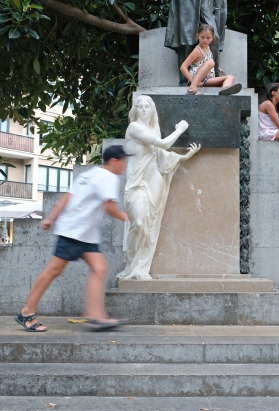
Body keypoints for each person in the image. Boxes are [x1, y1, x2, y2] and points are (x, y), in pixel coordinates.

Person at [14, 145, 130, 332]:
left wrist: (52, 218)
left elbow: (67, 198)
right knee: (53, 271)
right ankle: (26, 312)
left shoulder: (88, 175)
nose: (124, 166)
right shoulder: (109, 177)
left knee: (99, 269)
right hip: (75, 232)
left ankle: (95, 316)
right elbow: (109, 207)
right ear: (114, 161)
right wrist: (127, 217)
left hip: (84, 234)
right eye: (123, 161)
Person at [118, 95, 201, 280]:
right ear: (135, 109)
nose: (144, 109)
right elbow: (163, 143)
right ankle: (131, 263)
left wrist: (183, 157)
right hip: (136, 181)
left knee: (151, 223)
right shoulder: (134, 127)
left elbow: (160, 154)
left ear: (153, 109)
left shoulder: (152, 129)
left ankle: (141, 267)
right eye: (140, 106)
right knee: (138, 222)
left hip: (153, 176)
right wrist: (179, 129)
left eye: (148, 106)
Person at [180, 24, 242, 96]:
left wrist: (217, 68)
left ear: (212, 38)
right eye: (202, 37)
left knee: (230, 77)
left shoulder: (209, 49)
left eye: (208, 38)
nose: (205, 40)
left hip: (207, 79)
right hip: (196, 78)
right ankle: (192, 88)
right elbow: (183, 67)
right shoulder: (197, 51)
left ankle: (225, 89)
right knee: (211, 62)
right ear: (197, 36)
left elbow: (205, 63)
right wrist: (192, 81)